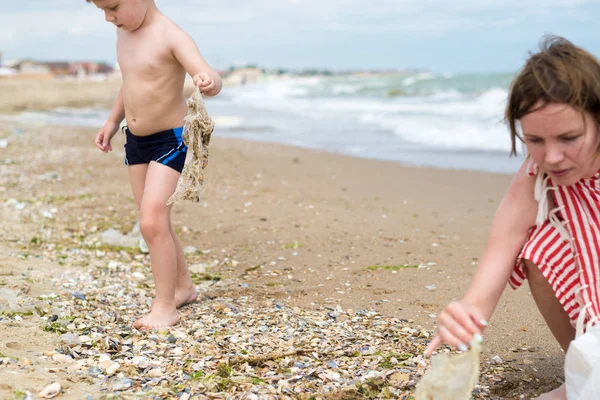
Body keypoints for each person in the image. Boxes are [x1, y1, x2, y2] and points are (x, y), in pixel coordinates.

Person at [425, 35, 600, 400]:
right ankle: (585, 368)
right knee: (539, 247)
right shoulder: (537, 180)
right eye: (535, 140)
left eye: (569, 137)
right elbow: (501, 248)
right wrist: (465, 316)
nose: (551, 157)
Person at [88, 0, 223, 329]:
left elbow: (208, 73)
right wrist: (110, 123)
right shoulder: (125, 33)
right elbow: (130, 82)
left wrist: (208, 81)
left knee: (151, 221)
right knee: (155, 221)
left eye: (114, 7)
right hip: (135, 140)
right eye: (103, 10)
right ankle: (183, 287)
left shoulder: (171, 35)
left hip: (171, 139)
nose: (109, 18)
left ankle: (165, 308)